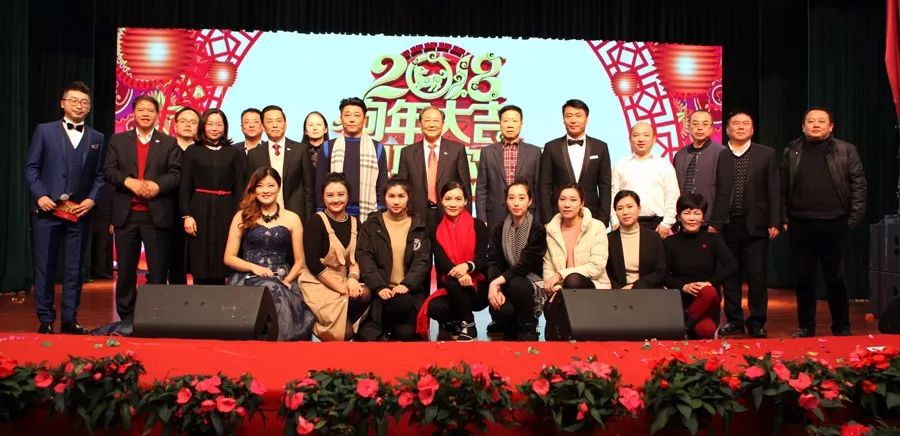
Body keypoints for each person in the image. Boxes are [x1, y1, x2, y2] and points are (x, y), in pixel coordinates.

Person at [25, 81, 106, 334]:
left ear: (89, 107)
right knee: (45, 267)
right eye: (74, 101)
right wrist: (40, 195)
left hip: (78, 214)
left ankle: (70, 319)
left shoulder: (97, 138)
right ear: (63, 103)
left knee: (74, 269)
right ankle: (46, 319)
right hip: (47, 212)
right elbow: (31, 168)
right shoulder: (44, 131)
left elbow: (100, 176)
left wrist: (91, 200)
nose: (79, 106)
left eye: (84, 102)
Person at [782, 108, 866, 337]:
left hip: (835, 223)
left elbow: (859, 185)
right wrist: (785, 218)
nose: (816, 125)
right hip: (801, 224)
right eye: (811, 121)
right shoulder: (791, 151)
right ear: (803, 126)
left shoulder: (846, 150)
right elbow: (782, 187)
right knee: (804, 280)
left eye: (821, 121)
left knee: (836, 279)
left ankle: (842, 326)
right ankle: (806, 327)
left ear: (831, 127)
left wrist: (852, 219)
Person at [104, 95, 181, 324]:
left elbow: (176, 173)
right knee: (126, 270)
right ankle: (126, 317)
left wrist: (157, 185)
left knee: (158, 271)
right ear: (134, 113)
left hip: (156, 215)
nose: (146, 114)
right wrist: (129, 182)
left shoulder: (168, 142)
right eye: (141, 110)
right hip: (126, 215)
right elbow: (109, 170)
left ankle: (155, 315)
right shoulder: (118, 140)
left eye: (150, 110)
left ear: (157, 115)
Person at [710, 111, 781, 338]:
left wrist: (775, 220)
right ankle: (734, 320)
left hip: (756, 224)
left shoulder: (766, 154)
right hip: (727, 224)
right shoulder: (721, 155)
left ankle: (757, 321)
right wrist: (714, 223)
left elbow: (775, 189)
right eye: (736, 124)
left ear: (752, 129)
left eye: (745, 124)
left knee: (757, 275)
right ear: (727, 129)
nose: (740, 127)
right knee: (730, 275)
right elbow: (717, 191)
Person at [224, 167, 314, 341]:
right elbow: (229, 257)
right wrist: (254, 268)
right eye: (260, 186)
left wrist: (288, 280)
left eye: (271, 185)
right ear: (254, 189)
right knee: (271, 289)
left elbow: (299, 260)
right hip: (248, 277)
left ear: (279, 187)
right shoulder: (242, 216)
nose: (265, 190)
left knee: (277, 290)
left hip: (281, 277)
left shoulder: (292, 218)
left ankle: (279, 350)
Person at [356, 177, 431, 341]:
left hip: (406, 292)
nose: (396, 201)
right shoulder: (371, 224)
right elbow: (364, 257)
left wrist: (406, 284)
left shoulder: (418, 226)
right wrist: (379, 286)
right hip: (379, 291)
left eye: (401, 196)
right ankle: (379, 324)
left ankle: (386, 325)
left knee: (407, 333)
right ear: (384, 197)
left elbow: (422, 261)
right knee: (368, 337)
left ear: (408, 197)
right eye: (391, 196)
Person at [299, 172, 371, 341]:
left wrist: (352, 279)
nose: (336, 200)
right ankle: (317, 325)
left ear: (348, 196)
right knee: (346, 333)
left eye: (340, 194)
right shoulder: (316, 221)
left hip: (342, 277)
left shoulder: (355, 223)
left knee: (365, 294)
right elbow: (312, 263)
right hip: (318, 281)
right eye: (330, 195)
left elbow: (356, 257)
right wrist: (341, 288)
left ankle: (341, 321)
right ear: (323, 198)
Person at [180, 108, 245, 285]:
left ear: (225, 127)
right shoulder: (192, 151)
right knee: (200, 251)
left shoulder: (233, 152)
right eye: (210, 124)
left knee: (224, 249)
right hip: (199, 207)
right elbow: (185, 186)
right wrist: (186, 215)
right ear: (203, 126)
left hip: (227, 207)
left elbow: (239, 185)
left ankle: (222, 295)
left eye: (219, 124)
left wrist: (239, 213)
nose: (214, 128)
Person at [422, 182, 490, 341]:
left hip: (477, 286)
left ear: (466, 201)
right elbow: (441, 262)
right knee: (435, 306)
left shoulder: (478, 225)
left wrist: (467, 267)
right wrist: (460, 274)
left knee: (452, 279)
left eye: (458, 199)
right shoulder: (436, 228)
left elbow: (483, 259)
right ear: (441, 200)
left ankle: (469, 326)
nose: (452, 204)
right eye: (448, 199)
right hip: (453, 285)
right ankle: (461, 321)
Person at [542, 184, 610, 340]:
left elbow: (597, 266)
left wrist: (560, 275)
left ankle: (556, 337)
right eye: (562, 199)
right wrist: (557, 287)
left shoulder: (596, 227)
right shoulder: (551, 230)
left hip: (594, 286)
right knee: (552, 306)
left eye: (573, 200)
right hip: (561, 290)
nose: (567, 204)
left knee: (573, 280)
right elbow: (548, 266)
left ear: (582, 203)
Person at [664, 193, 737, 339]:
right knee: (704, 329)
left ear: (703, 217)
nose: (692, 218)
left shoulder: (713, 239)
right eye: (687, 213)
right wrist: (684, 286)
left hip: (708, 300)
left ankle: (684, 326)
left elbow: (731, 265)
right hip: (682, 298)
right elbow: (663, 275)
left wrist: (710, 282)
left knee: (708, 293)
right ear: (679, 217)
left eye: (697, 213)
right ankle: (689, 324)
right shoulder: (669, 242)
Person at [486, 179, 547, 340]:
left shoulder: (537, 229)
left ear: (530, 201)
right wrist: (494, 284)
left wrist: (497, 282)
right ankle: (510, 326)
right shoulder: (499, 228)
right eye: (511, 198)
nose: (516, 203)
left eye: (521, 198)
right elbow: (493, 260)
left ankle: (529, 326)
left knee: (517, 283)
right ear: (506, 201)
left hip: (529, 282)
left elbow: (525, 265)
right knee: (503, 306)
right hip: (505, 281)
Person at [397, 106, 472, 232]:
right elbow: (402, 188)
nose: (431, 125)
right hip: (415, 216)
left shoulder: (457, 150)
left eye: (436, 121)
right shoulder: (407, 152)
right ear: (420, 124)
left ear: (443, 124)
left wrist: (467, 220)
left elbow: (465, 188)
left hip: (449, 215)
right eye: (427, 120)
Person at [539, 99, 611, 226]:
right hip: (558, 218)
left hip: (592, 218)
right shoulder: (551, 147)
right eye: (569, 116)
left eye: (578, 116)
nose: (573, 120)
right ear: (563, 119)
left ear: (587, 119)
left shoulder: (600, 147)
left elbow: (605, 186)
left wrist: (603, 220)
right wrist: (548, 220)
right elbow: (544, 186)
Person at [316, 97, 389, 222]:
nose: (351, 119)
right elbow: (320, 183)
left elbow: (382, 184)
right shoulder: (328, 147)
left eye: (356, 115)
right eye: (347, 115)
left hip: (368, 213)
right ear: (341, 119)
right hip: (333, 211)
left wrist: (382, 214)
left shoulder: (377, 148)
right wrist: (320, 213)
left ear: (364, 119)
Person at [476, 104, 541, 228]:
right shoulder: (487, 152)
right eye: (506, 121)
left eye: (514, 121)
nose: (510, 125)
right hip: (495, 215)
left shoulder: (534, 152)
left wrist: (537, 219)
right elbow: (481, 189)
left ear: (521, 124)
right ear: (500, 123)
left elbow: (537, 188)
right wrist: (481, 219)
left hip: (527, 214)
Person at [611, 122, 679, 238]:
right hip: (627, 223)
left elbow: (672, 195)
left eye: (646, 135)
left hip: (658, 225)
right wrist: (615, 221)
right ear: (630, 139)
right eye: (636, 135)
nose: (641, 139)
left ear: (654, 139)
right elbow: (613, 195)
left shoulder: (664, 165)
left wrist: (666, 223)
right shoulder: (620, 165)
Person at [247, 105, 314, 221]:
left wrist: (309, 219)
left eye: (278, 120)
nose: (275, 125)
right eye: (269, 121)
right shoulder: (254, 154)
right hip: (263, 215)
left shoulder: (300, 150)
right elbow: (251, 189)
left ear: (285, 124)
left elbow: (309, 188)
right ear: (263, 126)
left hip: (295, 214)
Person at [606, 190, 666, 289]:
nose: (625, 212)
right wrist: (620, 290)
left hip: (648, 290)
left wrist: (635, 286)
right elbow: (606, 273)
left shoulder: (653, 237)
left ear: (639, 209)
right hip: (619, 292)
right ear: (615, 212)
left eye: (629, 207)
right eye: (620, 208)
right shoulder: (608, 239)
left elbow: (660, 272)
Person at [672, 110, 725, 222]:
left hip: (710, 219)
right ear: (688, 127)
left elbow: (725, 191)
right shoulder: (680, 155)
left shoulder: (722, 152)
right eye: (695, 124)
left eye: (705, 124)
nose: (699, 128)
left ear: (711, 128)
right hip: (684, 219)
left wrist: (717, 221)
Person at [167, 106, 200, 284]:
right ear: (175, 125)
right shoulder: (165, 148)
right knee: (174, 259)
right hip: (169, 211)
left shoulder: (202, 151)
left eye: (193, 122)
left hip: (197, 210)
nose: (188, 125)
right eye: (184, 121)